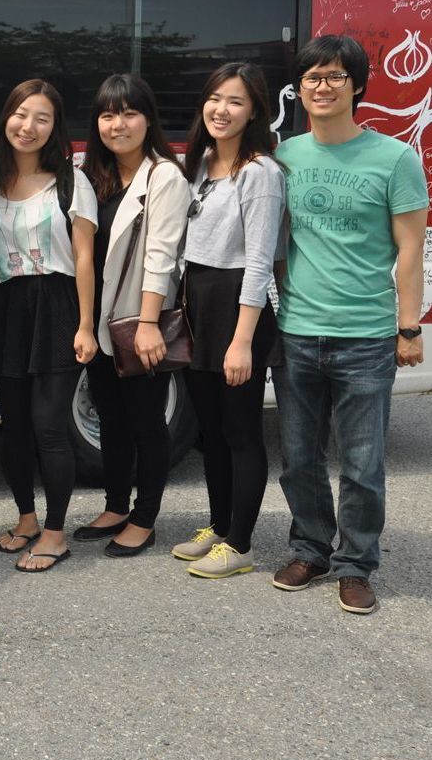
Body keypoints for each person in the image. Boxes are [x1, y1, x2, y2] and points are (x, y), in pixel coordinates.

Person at [272, 34, 427, 614]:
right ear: (300, 86)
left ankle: (356, 564)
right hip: (298, 331)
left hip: (365, 335)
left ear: (357, 85)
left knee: (362, 464)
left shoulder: (395, 158)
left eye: (336, 76)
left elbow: (409, 249)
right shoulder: (286, 156)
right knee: (299, 457)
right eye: (312, 76)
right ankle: (310, 547)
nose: (323, 86)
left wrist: (407, 328)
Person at [0, 80, 98, 573]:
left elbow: (85, 258)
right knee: (14, 428)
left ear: (55, 128)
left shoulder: (70, 180)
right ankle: (26, 519)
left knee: (49, 426)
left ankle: (57, 531)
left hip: (56, 305)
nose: (29, 126)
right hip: (5, 307)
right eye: (22, 114)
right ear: (6, 118)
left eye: (42, 118)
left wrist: (86, 325)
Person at [174, 63, 285, 579]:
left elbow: (260, 262)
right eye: (214, 98)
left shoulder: (258, 172)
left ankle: (240, 545)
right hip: (199, 301)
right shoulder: (200, 165)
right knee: (211, 431)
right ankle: (219, 526)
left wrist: (242, 342)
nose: (221, 109)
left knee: (241, 430)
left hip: (238, 307)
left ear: (255, 111)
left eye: (235, 101)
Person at [74, 74, 190, 557]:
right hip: (100, 319)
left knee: (146, 422)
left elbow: (161, 256)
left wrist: (147, 325)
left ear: (148, 119)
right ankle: (117, 505)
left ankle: (146, 517)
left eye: (128, 113)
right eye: (107, 114)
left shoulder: (164, 175)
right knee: (112, 418)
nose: (117, 124)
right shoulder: (91, 174)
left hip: (137, 320)